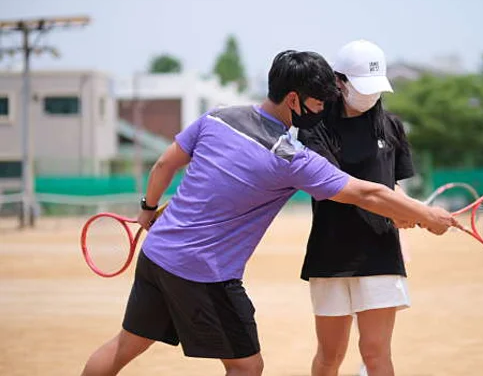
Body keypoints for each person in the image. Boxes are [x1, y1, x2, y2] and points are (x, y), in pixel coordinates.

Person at [80, 50, 455, 376]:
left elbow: (163, 164)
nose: (323, 110)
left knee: (125, 345)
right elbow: (367, 193)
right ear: (294, 99)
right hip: (205, 271)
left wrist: (147, 210)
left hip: (157, 255)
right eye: (319, 102)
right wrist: (426, 214)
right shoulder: (288, 157)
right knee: (247, 367)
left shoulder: (216, 118)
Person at [297, 40, 417, 376]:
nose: (370, 95)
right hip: (330, 254)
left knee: (376, 354)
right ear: (339, 81)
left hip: (380, 252)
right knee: (329, 356)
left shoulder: (391, 126)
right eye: (362, 87)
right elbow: (339, 188)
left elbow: (395, 186)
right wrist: (418, 214)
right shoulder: (314, 128)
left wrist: (406, 213)